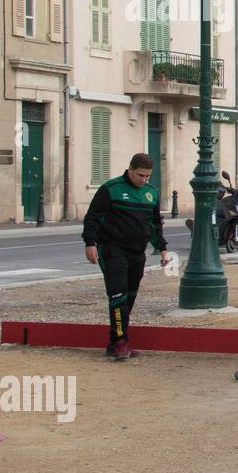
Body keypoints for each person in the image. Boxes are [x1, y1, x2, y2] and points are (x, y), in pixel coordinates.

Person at [82, 152, 171, 360]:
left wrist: (163, 248)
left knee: (129, 296)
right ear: (130, 169)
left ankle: (115, 341)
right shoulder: (111, 189)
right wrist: (90, 243)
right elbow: (93, 218)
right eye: (140, 175)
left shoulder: (151, 193)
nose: (144, 180)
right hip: (112, 249)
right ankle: (121, 342)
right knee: (117, 294)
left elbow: (155, 224)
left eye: (147, 176)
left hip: (137, 251)